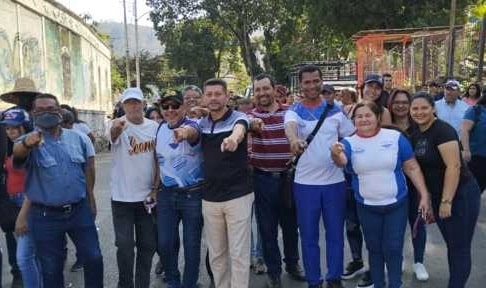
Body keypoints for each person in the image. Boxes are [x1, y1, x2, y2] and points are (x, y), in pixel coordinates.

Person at [330, 100, 430, 288]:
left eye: (368, 115)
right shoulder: (348, 142)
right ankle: (378, 284)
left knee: (393, 248)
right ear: (353, 121)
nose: (363, 119)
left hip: (396, 204)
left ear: (377, 117)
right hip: (367, 206)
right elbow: (341, 161)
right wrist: (335, 153)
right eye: (359, 116)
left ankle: (395, 284)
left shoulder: (394, 137)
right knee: (374, 250)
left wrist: (424, 195)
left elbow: (412, 167)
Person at [13, 93, 103, 287]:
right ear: (33, 113)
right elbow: (18, 154)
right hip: (45, 217)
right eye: (41, 110)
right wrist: (28, 144)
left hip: (79, 211)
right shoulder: (27, 140)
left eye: (52, 109)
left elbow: (86, 170)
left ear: (60, 112)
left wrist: (91, 199)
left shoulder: (77, 139)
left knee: (94, 258)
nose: (47, 113)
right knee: (52, 269)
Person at [284, 65, 355, 288]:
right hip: (305, 185)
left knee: (335, 234)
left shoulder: (336, 110)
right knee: (309, 236)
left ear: (322, 82)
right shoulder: (293, 111)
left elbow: (352, 136)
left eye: (316, 81)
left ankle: (334, 278)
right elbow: (291, 129)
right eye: (307, 82)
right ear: (300, 84)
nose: (312, 86)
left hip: (335, 182)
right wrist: (294, 141)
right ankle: (314, 281)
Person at [409, 92, 480, 288]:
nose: (419, 112)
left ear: (433, 109)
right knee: (452, 244)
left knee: (459, 247)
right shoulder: (415, 133)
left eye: (424, 107)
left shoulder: (443, 130)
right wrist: (431, 199)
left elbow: (454, 166)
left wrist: (446, 201)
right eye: (415, 108)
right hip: (440, 195)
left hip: (460, 194)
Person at [249, 74, 305, 287]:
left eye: (265, 88)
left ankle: (292, 264)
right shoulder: (249, 116)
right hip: (262, 180)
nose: (262, 93)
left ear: (274, 89)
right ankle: (274, 273)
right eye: (258, 90)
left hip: (288, 179)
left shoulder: (290, 113)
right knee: (267, 229)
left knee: (291, 226)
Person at [199, 79, 253, 288]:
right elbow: (191, 130)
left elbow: (240, 129)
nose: (213, 98)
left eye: (217, 94)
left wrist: (234, 139)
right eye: (209, 94)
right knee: (216, 254)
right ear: (205, 97)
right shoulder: (202, 122)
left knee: (239, 253)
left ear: (227, 96)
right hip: (210, 197)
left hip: (238, 195)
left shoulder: (239, 117)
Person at [107, 87, 158, 288]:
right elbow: (112, 135)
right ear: (123, 106)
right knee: (125, 246)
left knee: (148, 245)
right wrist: (118, 127)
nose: (134, 106)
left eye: (137, 102)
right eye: (129, 103)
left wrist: (155, 188)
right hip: (121, 199)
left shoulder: (154, 127)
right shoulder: (117, 124)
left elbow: (158, 159)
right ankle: (125, 284)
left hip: (146, 199)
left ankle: (142, 284)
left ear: (144, 104)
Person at [155, 93, 204, 288]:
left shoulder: (193, 125)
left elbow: (191, 132)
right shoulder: (159, 128)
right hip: (166, 195)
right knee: (165, 244)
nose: (170, 110)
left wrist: (183, 133)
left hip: (193, 194)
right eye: (165, 107)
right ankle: (173, 282)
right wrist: (154, 187)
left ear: (183, 106)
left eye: (174, 105)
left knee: (191, 246)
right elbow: (156, 160)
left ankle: (189, 284)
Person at [388, 89, 430, 281]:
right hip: (392, 185)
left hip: (416, 184)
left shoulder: (420, 126)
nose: (401, 105)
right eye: (396, 102)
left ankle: (419, 262)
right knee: (395, 227)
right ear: (391, 104)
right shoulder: (384, 127)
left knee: (417, 223)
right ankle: (399, 259)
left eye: (405, 102)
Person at [1, 109, 43, 288]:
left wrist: (23, 215)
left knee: (24, 258)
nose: (10, 132)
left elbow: (35, 182)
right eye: (7, 128)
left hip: (27, 204)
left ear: (24, 127)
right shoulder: (13, 146)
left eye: (15, 128)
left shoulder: (29, 146)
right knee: (31, 256)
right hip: (15, 203)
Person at [461, 93, 486, 193]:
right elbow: (464, 130)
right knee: (474, 188)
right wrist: (466, 150)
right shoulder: (476, 110)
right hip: (476, 156)